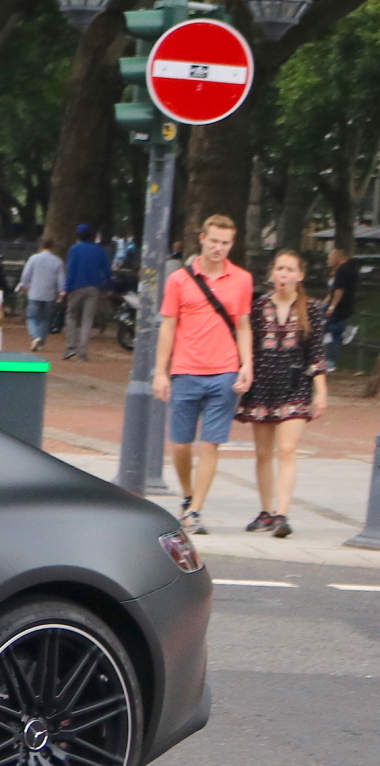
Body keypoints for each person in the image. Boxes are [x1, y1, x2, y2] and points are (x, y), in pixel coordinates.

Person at [150, 213, 253, 535]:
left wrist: (247, 363)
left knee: (210, 444)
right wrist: (160, 371)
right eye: (214, 241)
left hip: (224, 371)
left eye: (225, 243)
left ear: (231, 244)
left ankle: (195, 510)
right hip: (186, 370)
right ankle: (187, 494)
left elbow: (244, 325)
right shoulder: (179, 280)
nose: (218, 248)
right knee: (181, 444)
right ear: (202, 239)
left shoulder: (242, 279)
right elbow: (168, 326)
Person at [236, 250, 330, 539]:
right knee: (263, 453)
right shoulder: (258, 306)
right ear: (272, 273)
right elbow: (248, 346)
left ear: (300, 275)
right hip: (263, 384)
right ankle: (265, 511)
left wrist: (321, 391)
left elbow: (316, 352)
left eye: (290, 270)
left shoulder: (311, 308)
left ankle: (282, 514)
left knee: (287, 450)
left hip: (295, 385)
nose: (283, 275)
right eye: (279, 269)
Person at [62, 223, 112, 360]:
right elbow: (107, 269)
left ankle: (71, 346)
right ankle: (83, 353)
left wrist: (66, 289)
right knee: (87, 320)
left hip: (77, 286)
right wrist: (109, 286)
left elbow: (71, 269)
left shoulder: (74, 249)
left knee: (71, 315)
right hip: (94, 288)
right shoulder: (99, 250)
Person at [18, 235, 64, 350]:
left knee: (32, 317)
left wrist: (23, 286)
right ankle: (41, 341)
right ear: (52, 247)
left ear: (40, 246)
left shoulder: (33, 259)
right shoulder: (58, 261)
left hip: (35, 292)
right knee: (45, 319)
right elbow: (61, 279)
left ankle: (35, 336)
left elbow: (26, 275)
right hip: (49, 294)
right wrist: (61, 292)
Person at [324, 246, 359, 371]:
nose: (329, 258)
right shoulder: (352, 268)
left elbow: (339, 291)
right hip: (347, 305)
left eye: (331, 256)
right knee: (335, 334)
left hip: (339, 306)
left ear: (338, 255)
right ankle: (331, 361)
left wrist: (332, 306)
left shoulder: (342, 271)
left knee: (326, 328)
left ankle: (345, 331)